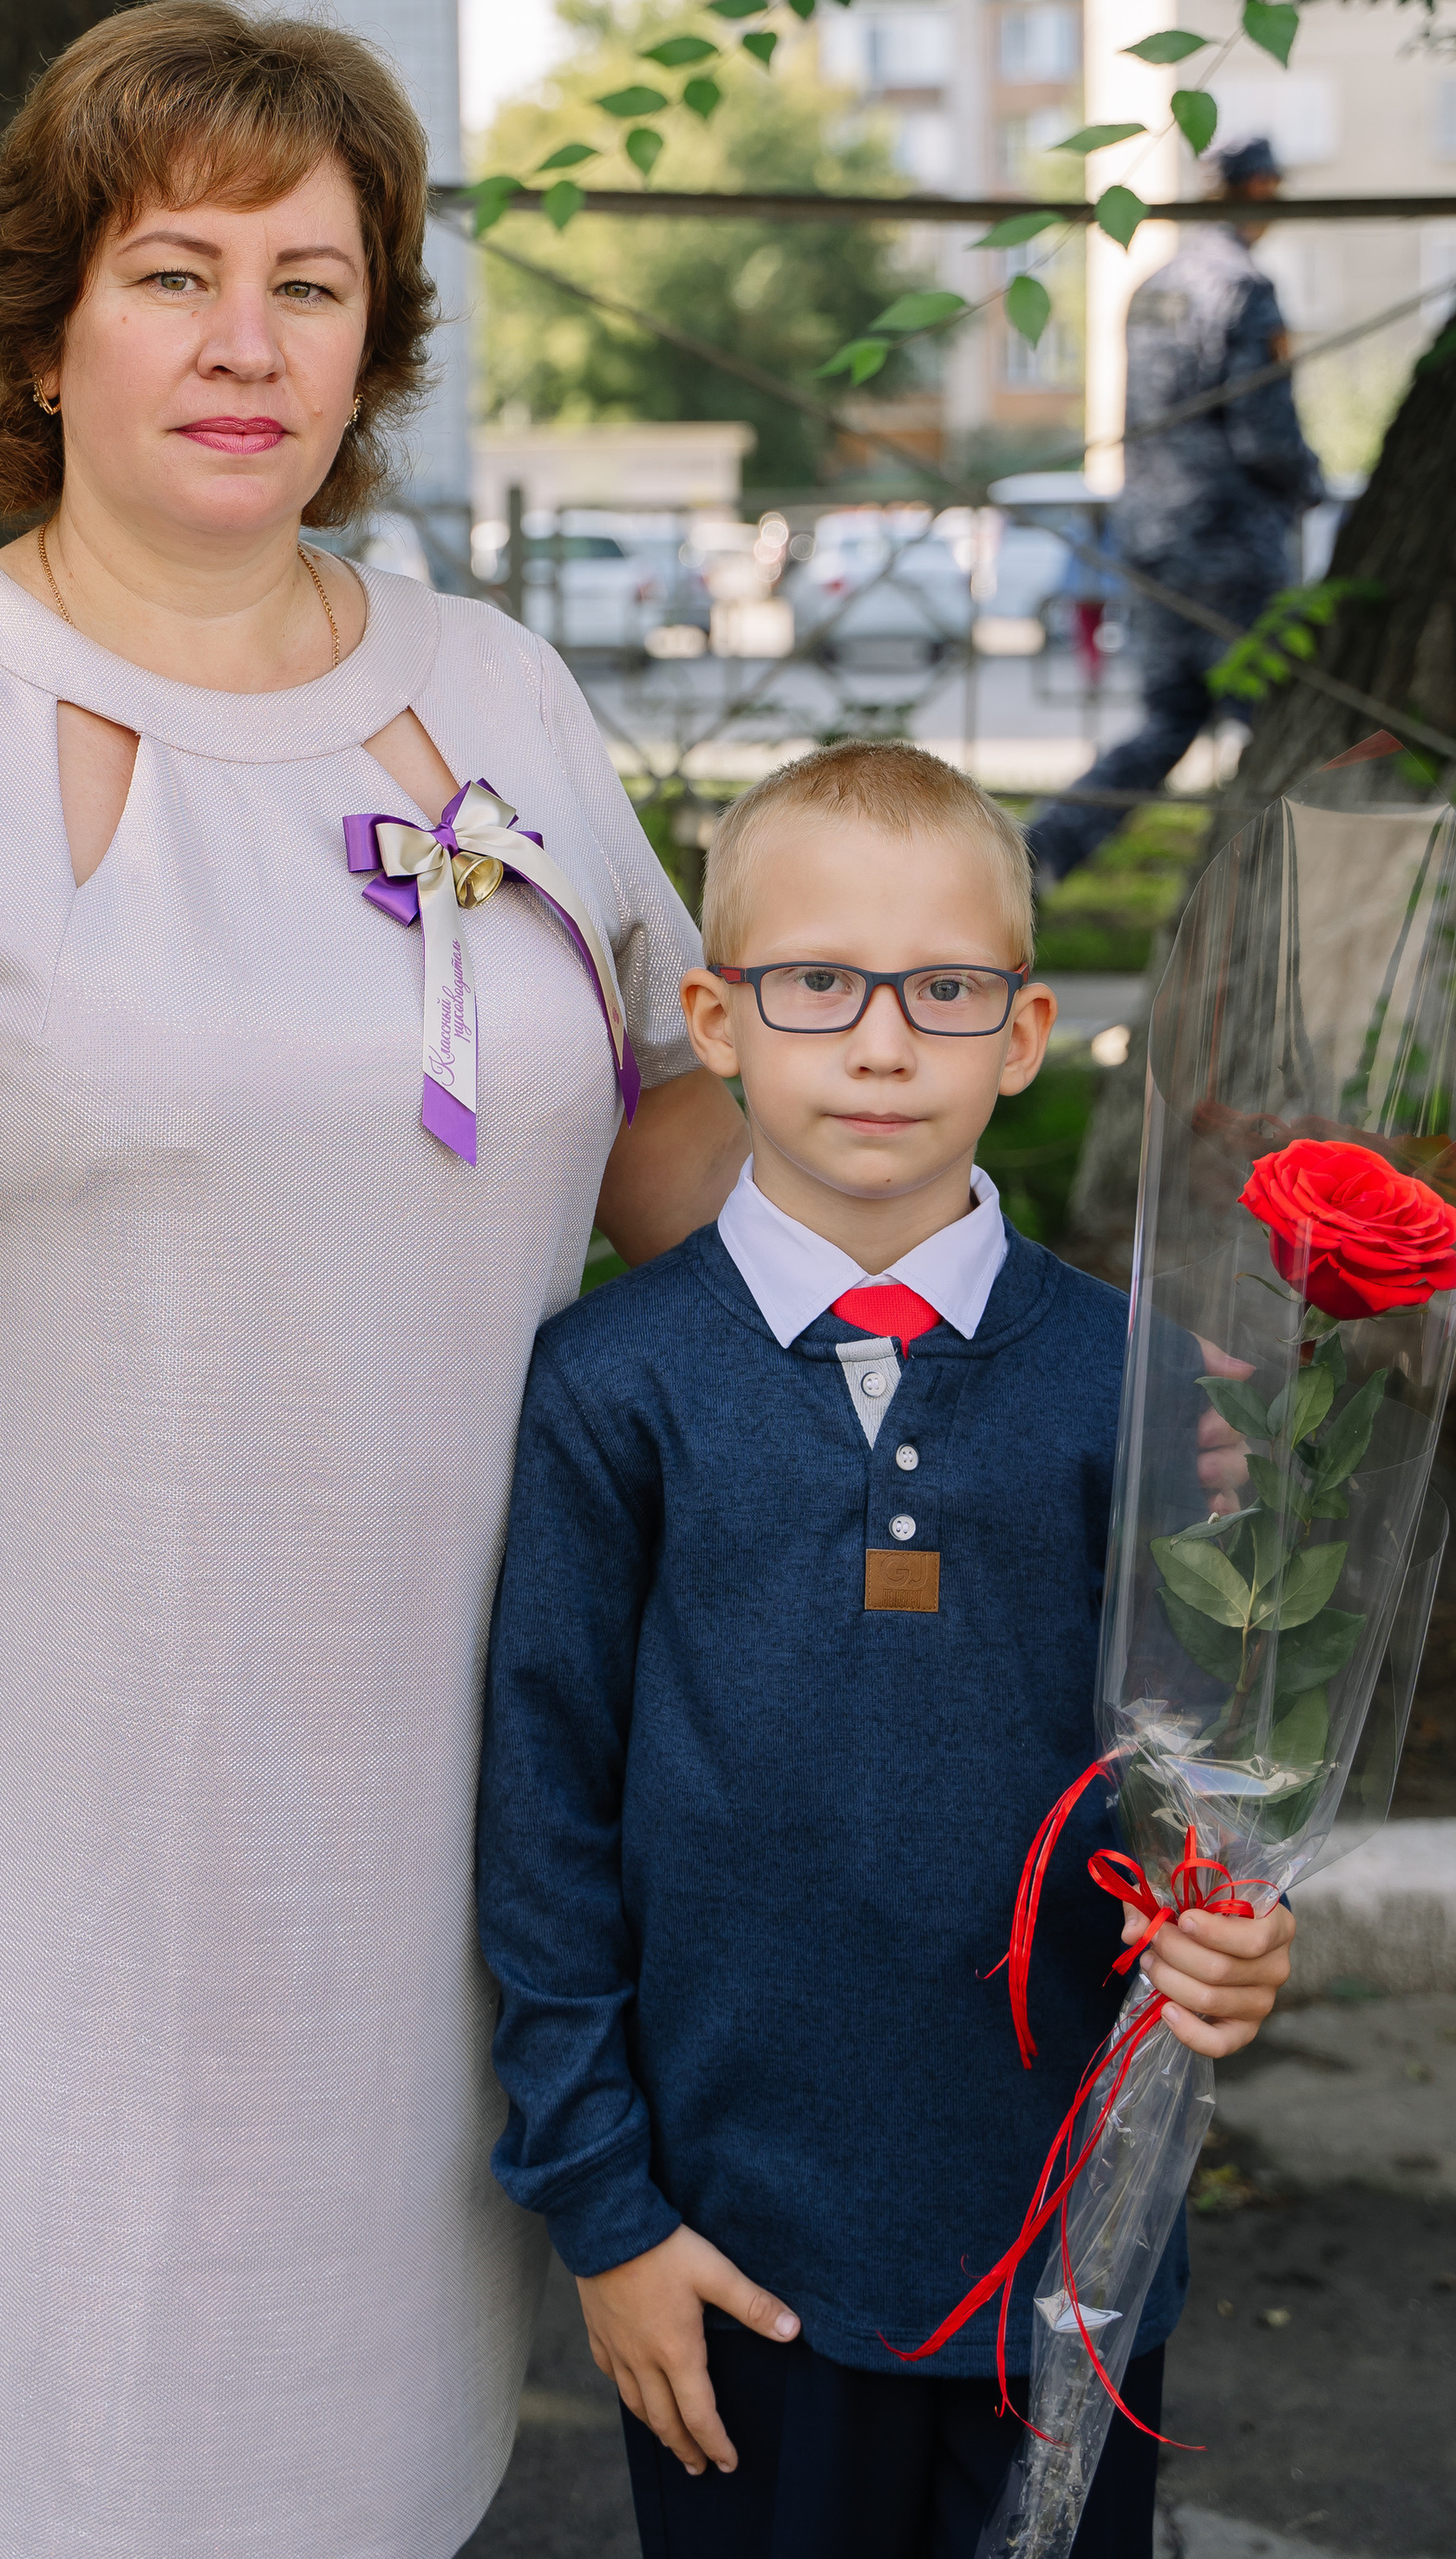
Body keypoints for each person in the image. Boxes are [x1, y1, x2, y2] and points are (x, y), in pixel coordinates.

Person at [0, 0, 751, 2559]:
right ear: (43, 328)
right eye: (174, 272)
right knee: (45, 2436)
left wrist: (924, 1165)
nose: (246, 344)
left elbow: (674, 1160)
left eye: (310, 285)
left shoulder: (502, 697)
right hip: (27, 1812)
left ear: (378, 338)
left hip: (422, 1780)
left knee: (354, 2439)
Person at [474, 742, 1295, 2559]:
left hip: (1060, 2249)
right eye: (813, 983)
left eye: (942, 990)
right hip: (735, 2267)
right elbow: (539, 1828)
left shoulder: (1133, 1378)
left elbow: (1192, 1778)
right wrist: (603, 2212)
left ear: (1018, 1032)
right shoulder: (611, 1391)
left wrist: (1229, 1939)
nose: (876, 1040)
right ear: (714, 1016)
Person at [1028, 139, 1324, 887]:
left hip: (1151, 538)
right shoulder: (1245, 288)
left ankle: (1041, 855)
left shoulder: (1155, 286)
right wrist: (1309, 485)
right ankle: (1268, 889)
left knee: (1170, 720)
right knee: (1272, 720)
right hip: (1229, 542)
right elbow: (1264, 432)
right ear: (1257, 189)